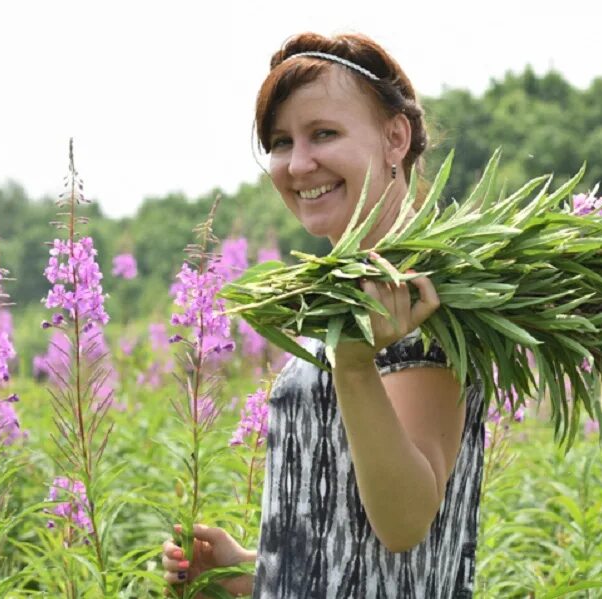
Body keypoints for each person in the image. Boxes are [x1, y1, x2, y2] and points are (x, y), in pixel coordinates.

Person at [160, 32, 486, 598]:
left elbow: (405, 524)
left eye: (324, 134)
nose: (298, 163)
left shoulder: (425, 300)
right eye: (282, 141)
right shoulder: (343, 302)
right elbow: (353, 552)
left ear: (394, 137)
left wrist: (355, 368)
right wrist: (254, 569)